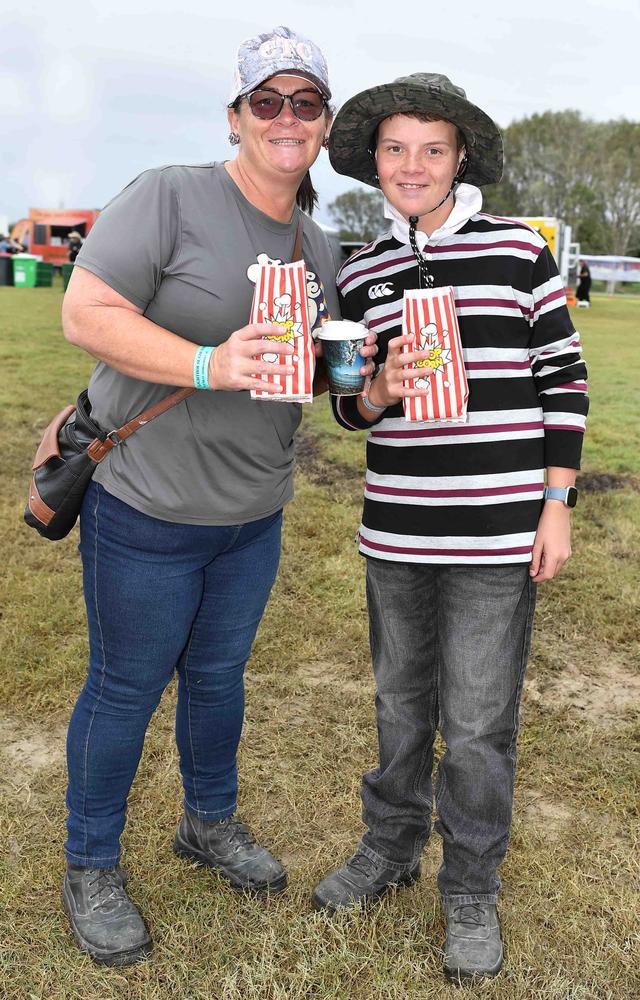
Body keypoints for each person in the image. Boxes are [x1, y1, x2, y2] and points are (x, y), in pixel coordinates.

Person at [59, 25, 375, 967]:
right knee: (126, 686)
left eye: (304, 104)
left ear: (320, 126)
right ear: (236, 117)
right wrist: (209, 359)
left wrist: (368, 386)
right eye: (266, 102)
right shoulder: (170, 195)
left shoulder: (317, 243)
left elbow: (305, 373)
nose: (286, 118)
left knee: (217, 680)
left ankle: (208, 823)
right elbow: (87, 312)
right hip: (147, 507)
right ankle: (90, 862)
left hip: (252, 514)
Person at [314, 74, 588, 981]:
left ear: (460, 156)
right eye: (395, 149)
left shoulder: (519, 250)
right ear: (374, 163)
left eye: (432, 148)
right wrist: (376, 395)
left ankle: (470, 888)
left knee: (476, 724)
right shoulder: (362, 273)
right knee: (399, 706)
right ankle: (390, 847)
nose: (413, 165)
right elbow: (348, 410)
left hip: (496, 538)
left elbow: (564, 382)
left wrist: (557, 504)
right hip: (396, 532)